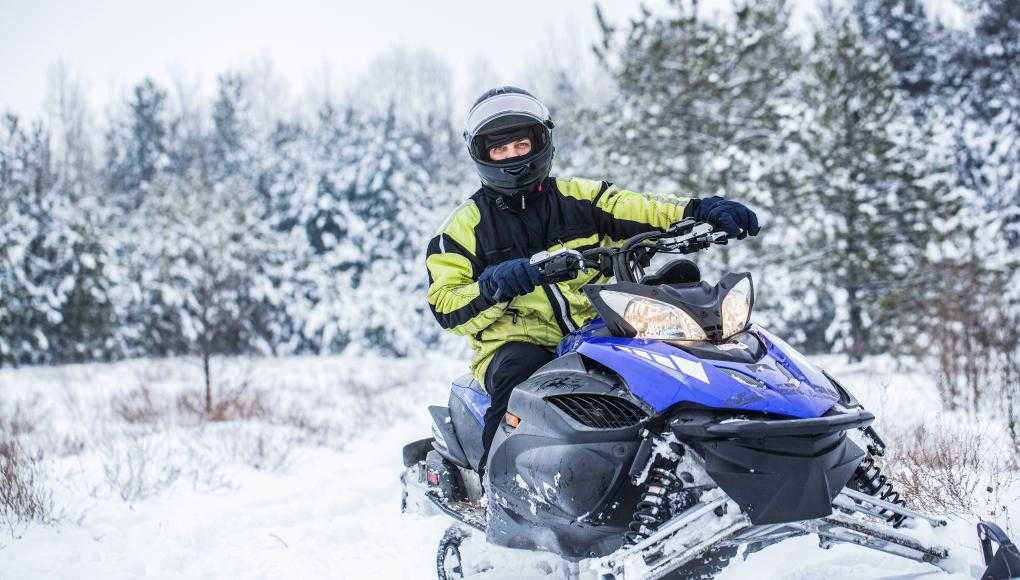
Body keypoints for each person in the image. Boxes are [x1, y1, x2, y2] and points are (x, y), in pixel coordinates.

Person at [425, 86, 760, 470]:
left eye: (520, 144)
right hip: (518, 342)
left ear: (541, 141)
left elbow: (641, 207)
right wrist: (498, 283)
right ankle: (496, 486)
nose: (513, 156)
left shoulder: (580, 196)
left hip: (599, 324)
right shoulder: (462, 228)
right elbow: (446, 305)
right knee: (516, 375)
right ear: (481, 155)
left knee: (666, 360)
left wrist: (700, 208)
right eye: (500, 150)